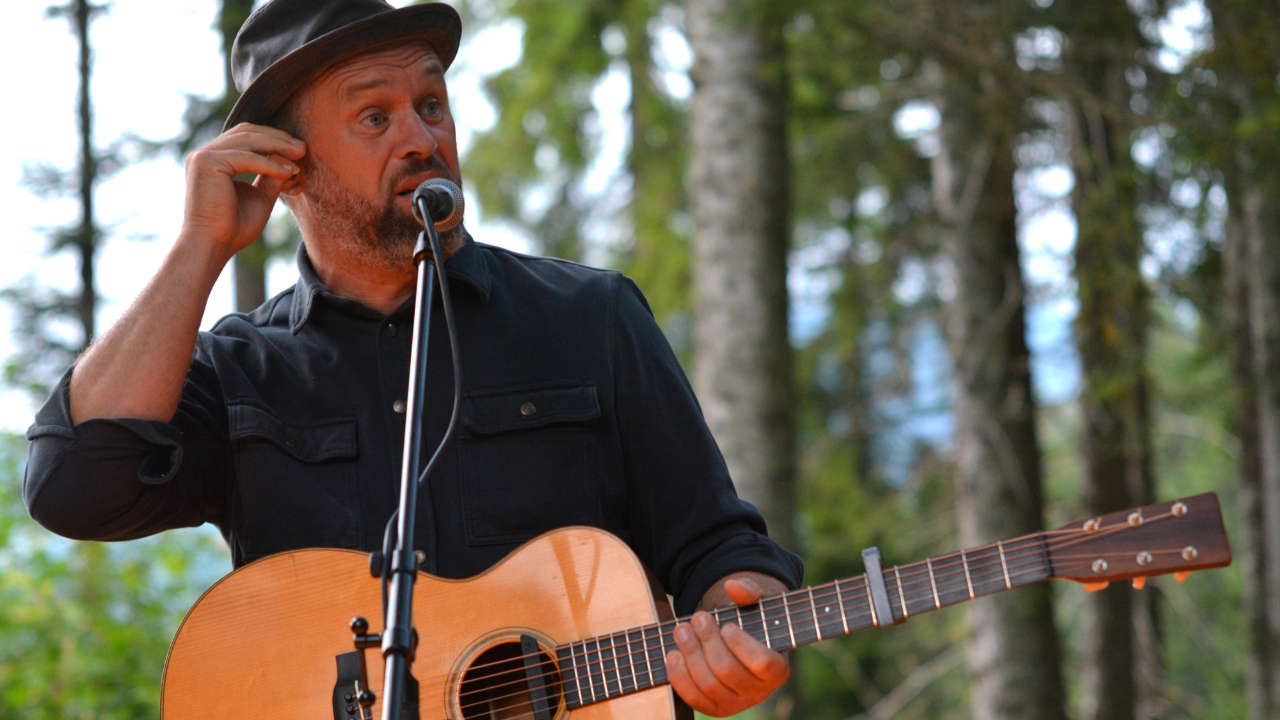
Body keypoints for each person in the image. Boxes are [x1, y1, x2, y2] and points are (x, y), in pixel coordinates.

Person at [22, 0, 802, 716]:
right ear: (286, 167)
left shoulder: (592, 316)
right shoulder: (238, 368)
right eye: (374, 117)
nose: (423, 140)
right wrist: (200, 247)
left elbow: (719, 548)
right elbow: (73, 489)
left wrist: (742, 634)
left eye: (431, 105)